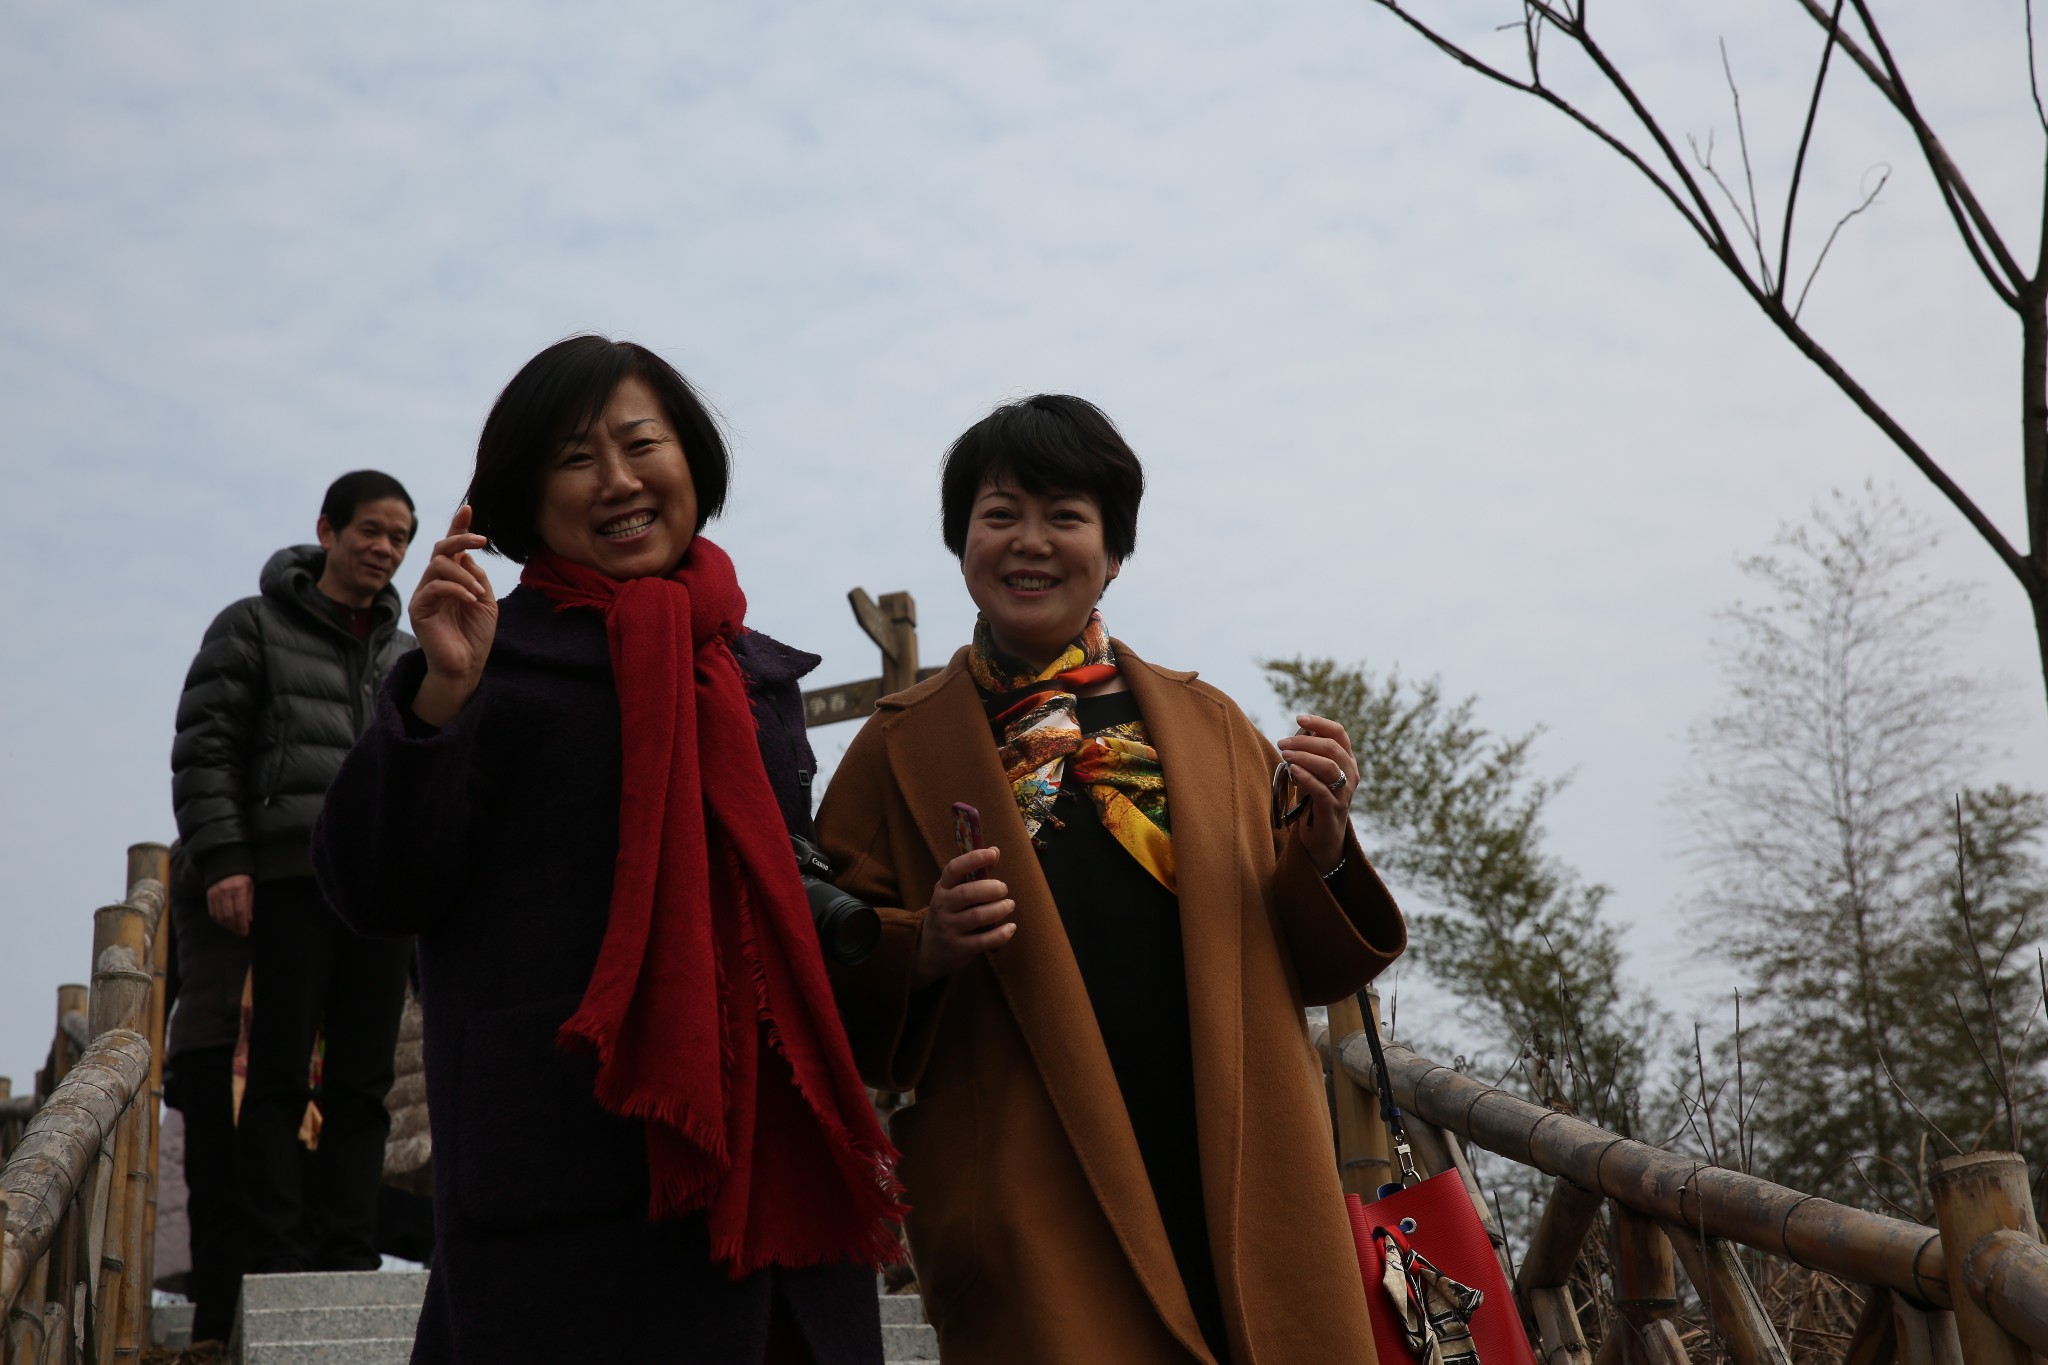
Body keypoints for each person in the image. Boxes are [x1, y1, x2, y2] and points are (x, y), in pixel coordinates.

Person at [311, 336, 903, 1365]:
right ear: (523, 500)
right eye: (577, 459)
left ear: (693, 464)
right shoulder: (488, 663)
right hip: (567, 1194)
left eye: (642, 444)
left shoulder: (751, 675)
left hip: (770, 1192)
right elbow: (374, 885)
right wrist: (439, 696)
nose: (620, 481)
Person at [817, 395, 1408, 1365]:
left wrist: (1326, 846)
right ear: (960, 543)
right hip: (1029, 1187)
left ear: (1113, 551)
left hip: (1238, 1163)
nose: (1029, 542)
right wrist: (917, 946)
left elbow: (1310, 962)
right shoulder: (896, 750)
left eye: (1065, 516)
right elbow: (821, 964)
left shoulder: (1208, 725)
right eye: (1000, 515)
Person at [170, 470, 420, 1278]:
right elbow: (205, 749)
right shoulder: (251, 626)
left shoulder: (407, 652)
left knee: (364, 1083)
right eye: (371, 531)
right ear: (328, 530)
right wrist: (227, 860)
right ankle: (274, 1255)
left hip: (379, 889)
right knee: (276, 1075)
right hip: (286, 878)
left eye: (400, 536)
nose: (385, 548)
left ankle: (350, 1253)